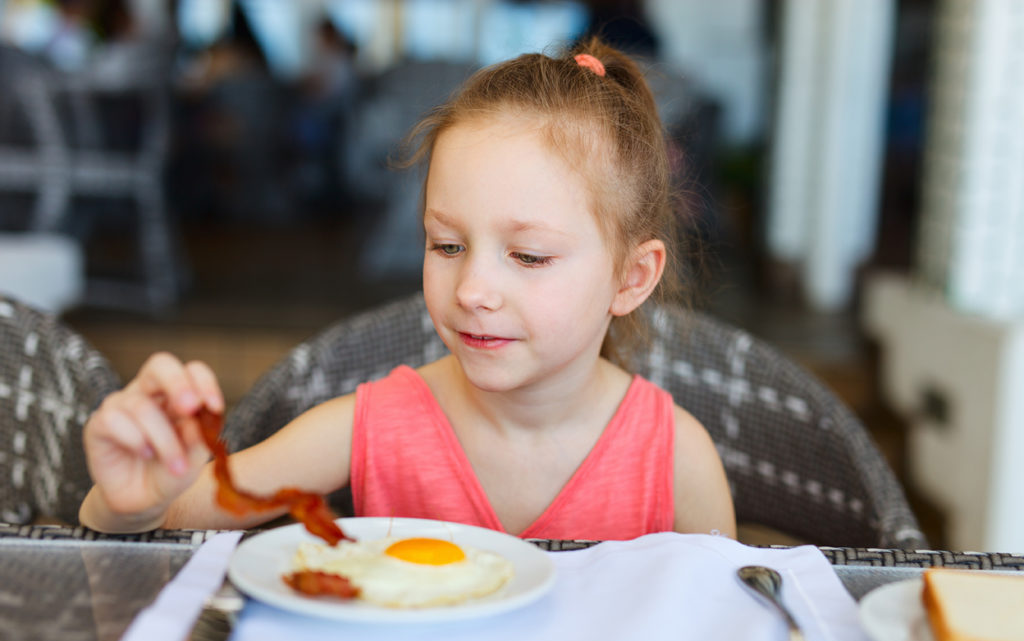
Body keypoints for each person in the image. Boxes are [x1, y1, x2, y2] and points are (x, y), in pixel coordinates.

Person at [79, 37, 736, 541]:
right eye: (447, 245)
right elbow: (168, 523)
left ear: (632, 277)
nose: (473, 287)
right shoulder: (375, 427)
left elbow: (729, 639)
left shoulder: (678, 461)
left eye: (529, 256)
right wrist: (133, 500)